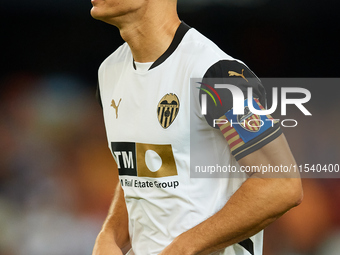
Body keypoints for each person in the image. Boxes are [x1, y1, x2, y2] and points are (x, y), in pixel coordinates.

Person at [90, 0, 303, 254]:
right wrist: (109, 235)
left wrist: (184, 248)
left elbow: (282, 184)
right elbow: (141, 175)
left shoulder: (216, 73)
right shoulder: (109, 72)